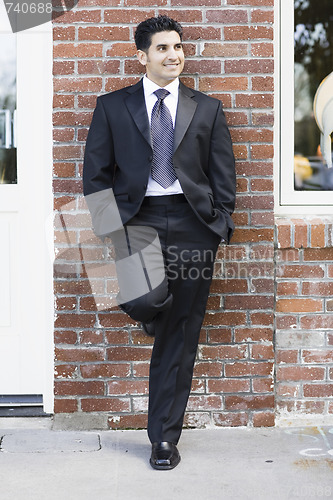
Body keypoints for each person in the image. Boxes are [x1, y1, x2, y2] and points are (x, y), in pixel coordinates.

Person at [83, 15, 236, 470]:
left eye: (178, 47)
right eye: (164, 48)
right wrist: (113, 233)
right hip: (138, 221)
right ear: (142, 56)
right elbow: (96, 178)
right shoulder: (113, 106)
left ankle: (163, 439)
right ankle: (151, 312)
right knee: (148, 299)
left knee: (181, 335)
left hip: (193, 225)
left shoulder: (205, 107)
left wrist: (219, 224)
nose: (174, 55)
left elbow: (223, 173)